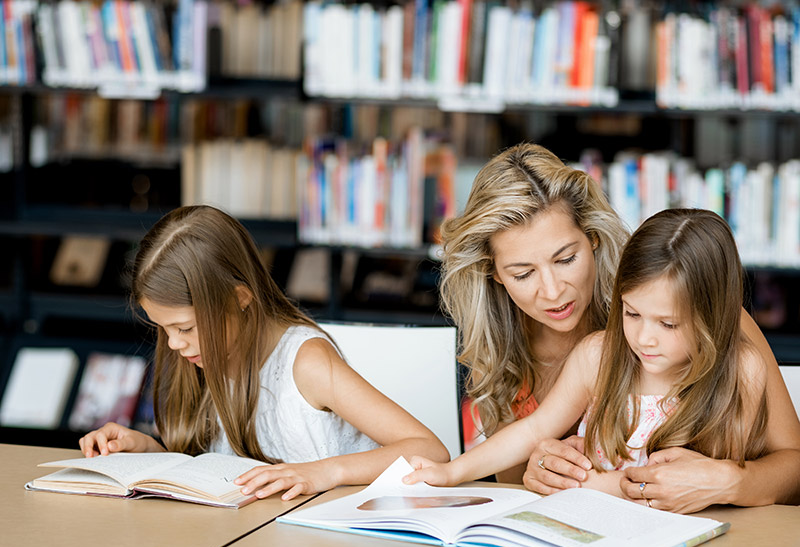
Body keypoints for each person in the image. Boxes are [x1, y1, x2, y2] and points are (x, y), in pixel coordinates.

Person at [437, 143, 800, 511]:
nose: (552, 291)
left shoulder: (686, 297)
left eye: (566, 259)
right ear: (493, 273)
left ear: (593, 237)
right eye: (523, 273)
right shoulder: (517, 354)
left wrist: (730, 482)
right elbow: (516, 490)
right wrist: (540, 472)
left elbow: (792, 469)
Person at [78, 205, 449, 501]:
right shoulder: (202, 356)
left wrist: (325, 471)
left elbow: (429, 450)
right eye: (164, 330)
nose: (174, 344)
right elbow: (216, 469)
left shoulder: (307, 363)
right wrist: (149, 451)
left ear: (240, 299)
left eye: (185, 328)